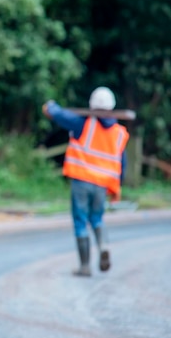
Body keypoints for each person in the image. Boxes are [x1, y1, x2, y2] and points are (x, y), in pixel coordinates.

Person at [42, 86, 129, 277]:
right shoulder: (119, 133)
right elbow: (122, 162)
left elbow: (60, 115)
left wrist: (50, 107)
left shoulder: (84, 124)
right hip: (102, 184)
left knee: (81, 221)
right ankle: (104, 246)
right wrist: (117, 186)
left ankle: (85, 266)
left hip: (81, 180)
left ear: (92, 105)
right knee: (97, 218)